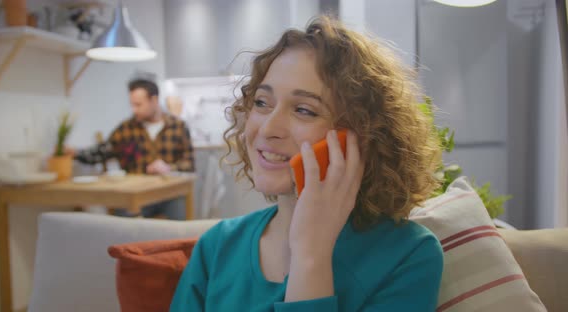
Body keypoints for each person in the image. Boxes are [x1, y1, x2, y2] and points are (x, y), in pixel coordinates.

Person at [170, 16, 443, 311]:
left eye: (304, 110)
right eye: (262, 102)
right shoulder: (216, 247)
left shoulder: (408, 254)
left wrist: (310, 256)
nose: (267, 128)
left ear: (365, 135)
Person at [70, 78, 195, 219]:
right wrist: (74, 153)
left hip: (169, 194)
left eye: (138, 105)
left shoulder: (178, 126)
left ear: (154, 100)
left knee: (178, 217)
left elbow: (189, 164)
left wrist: (168, 168)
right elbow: (102, 151)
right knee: (124, 216)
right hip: (136, 195)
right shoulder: (127, 128)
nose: (134, 110)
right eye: (132, 105)